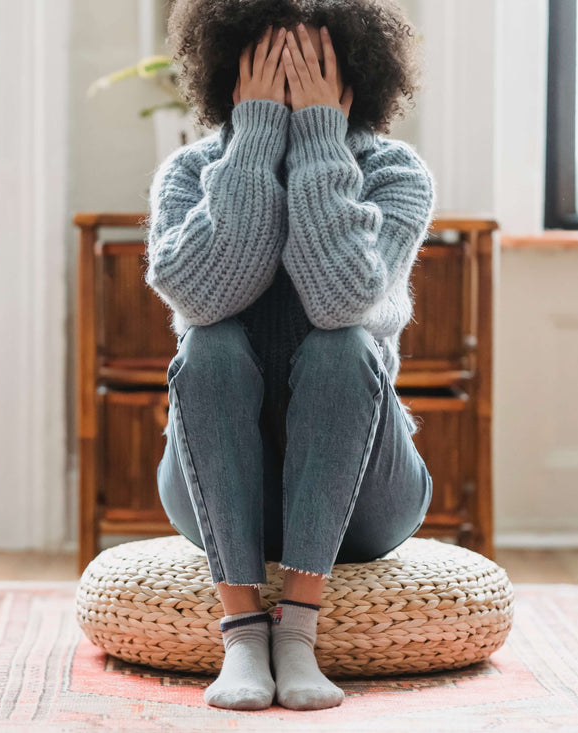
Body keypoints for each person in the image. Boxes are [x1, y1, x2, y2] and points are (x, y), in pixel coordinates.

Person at [144, 0, 435, 712]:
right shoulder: (189, 173)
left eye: (311, 64)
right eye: (271, 60)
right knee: (208, 343)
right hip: (215, 489)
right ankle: (244, 630)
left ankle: (298, 629)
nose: (290, 76)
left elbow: (341, 300)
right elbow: (205, 296)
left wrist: (319, 142)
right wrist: (256, 140)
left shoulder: (395, 173)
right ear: (231, 70)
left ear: (353, 73)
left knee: (341, 344)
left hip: (366, 497)